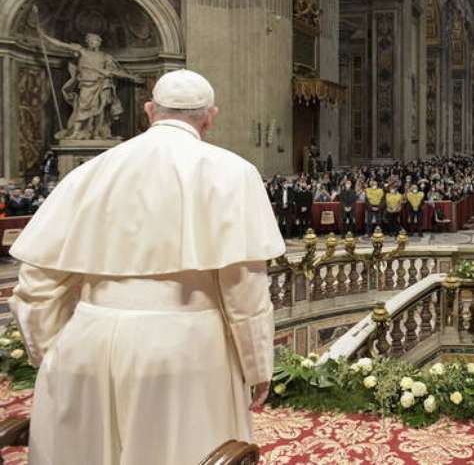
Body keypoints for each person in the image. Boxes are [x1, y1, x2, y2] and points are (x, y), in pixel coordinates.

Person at [8, 69, 285, 465]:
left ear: (150, 110)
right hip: (186, 347)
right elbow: (244, 291)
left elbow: (36, 283)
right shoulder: (232, 172)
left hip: (88, 337)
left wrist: (55, 352)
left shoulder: (88, 172)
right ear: (210, 116)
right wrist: (257, 365)